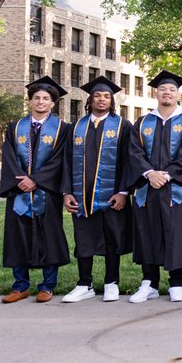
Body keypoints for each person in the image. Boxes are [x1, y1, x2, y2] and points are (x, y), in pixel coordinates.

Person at [127, 70, 182, 303]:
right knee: (147, 232)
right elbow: (134, 152)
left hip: (175, 188)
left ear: (178, 94)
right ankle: (149, 282)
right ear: (155, 93)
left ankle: (177, 282)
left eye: (171, 90)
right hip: (148, 188)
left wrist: (166, 176)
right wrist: (150, 173)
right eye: (162, 89)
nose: (167, 93)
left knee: (176, 233)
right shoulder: (143, 122)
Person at [60, 76, 132, 303]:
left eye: (107, 96)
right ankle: (84, 283)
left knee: (112, 238)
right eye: (97, 96)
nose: (102, 100)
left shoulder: (123, 126)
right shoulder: (76, 128)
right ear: (89, 100)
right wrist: (66, 192)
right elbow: (66, 162)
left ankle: (112, 282)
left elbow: (129, 162)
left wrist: (123, 192)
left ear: (112, 102)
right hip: (82, 195)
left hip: (112, 196)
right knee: (83, 239)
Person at [0, 76, 71, 303]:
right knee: (17, 238)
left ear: (53, 103)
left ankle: (47, 286)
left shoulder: (62, 129)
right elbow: (9, 156)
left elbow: (60, 160)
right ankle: (20, 286)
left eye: (46, 98)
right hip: (18, 190)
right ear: (30, 101)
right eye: (36, 98)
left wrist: (36, 180)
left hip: (47, 193)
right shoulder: (15, 127)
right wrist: (21, 181)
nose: (41, 102)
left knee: (48, 237)